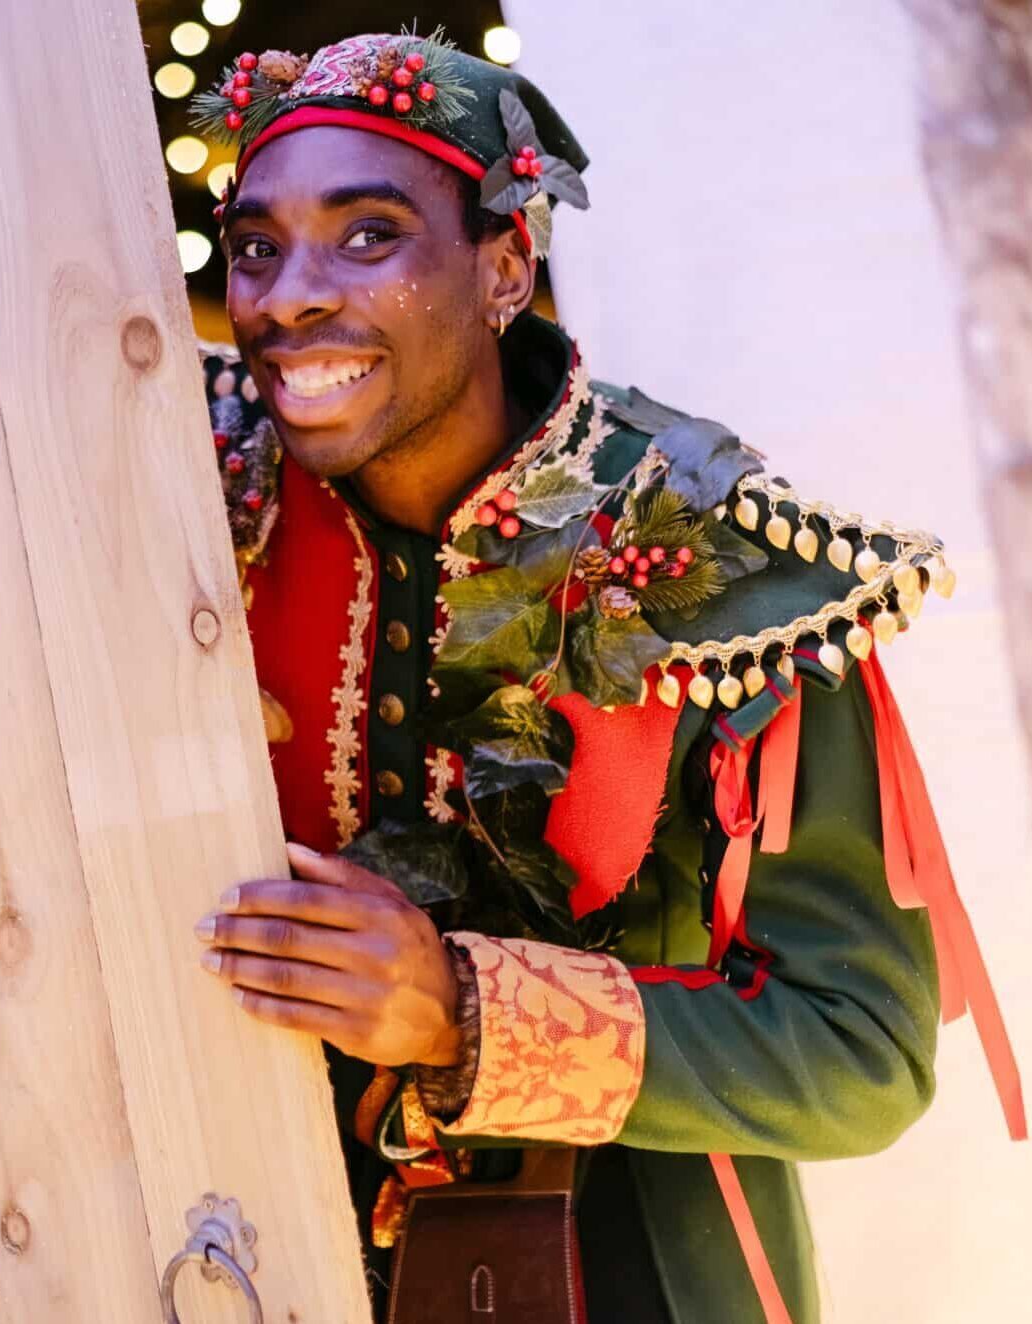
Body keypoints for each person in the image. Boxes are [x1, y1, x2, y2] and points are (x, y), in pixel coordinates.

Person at [187, 30, 1024, 1323]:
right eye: (255, 246)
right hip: (244, 1257)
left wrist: (468, 1011)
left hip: (641, 1277)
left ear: (506, 264)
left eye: (366, 236)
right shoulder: (192, 510)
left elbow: (862, 1050)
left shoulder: (721, 570)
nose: (289, 295)